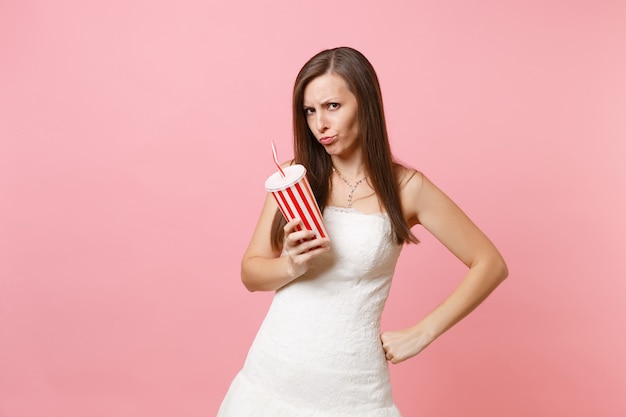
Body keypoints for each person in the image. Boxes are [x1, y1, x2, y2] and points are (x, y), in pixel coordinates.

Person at [217, 46, 508, 416]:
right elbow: (250, 273)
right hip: (270, 379)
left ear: (365, 104)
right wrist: (291, 265)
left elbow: (490, 263)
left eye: (332, 106)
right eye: (310, 110)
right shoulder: (294, 179)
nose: (319, 123)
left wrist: (423, 332)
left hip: (352, 391)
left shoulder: (408, 189)